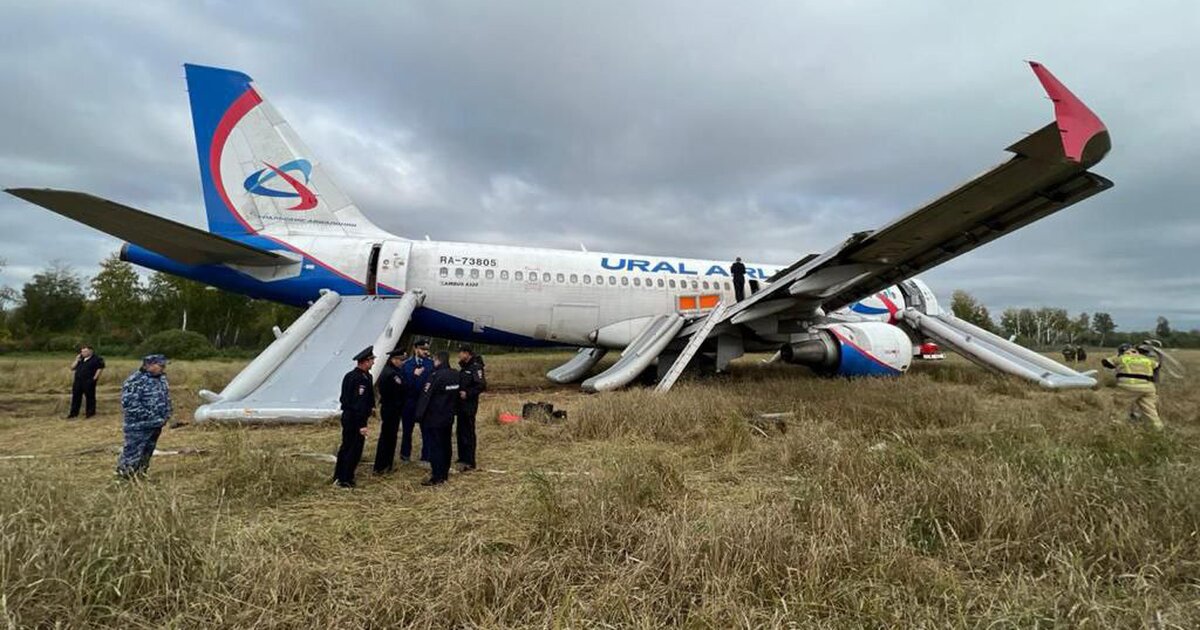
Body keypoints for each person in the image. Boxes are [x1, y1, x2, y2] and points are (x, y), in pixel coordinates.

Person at [116, 354, 172, 478]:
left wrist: (167, 414)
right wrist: (151, 417)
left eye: (164, 365)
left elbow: (166, 398)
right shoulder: (134, 381)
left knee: (147, 453)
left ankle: (140, 476)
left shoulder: (161, 379)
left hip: (156, 425)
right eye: (160, 365)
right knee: (132, 453)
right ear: (148, 365)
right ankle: (123, 478)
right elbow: (130, 405)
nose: (163, 368)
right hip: (138, 426)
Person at [416, 351, 460, 486]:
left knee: (436, 447)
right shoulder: (455, 374)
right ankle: (444, 473)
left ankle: (437, 476)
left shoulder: (435, 376)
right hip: (448, 416)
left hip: (434, 417)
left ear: (438, 360)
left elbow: (425, 397)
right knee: (446, 445)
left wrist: (418, 416)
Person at [334, 346, 376, 488]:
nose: (373, 363)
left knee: (347, 446)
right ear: (365, 361)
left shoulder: (364, 376)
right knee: (352, 448)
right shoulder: (359, 379)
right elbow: (358, 403)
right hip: (354, 418)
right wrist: (361, 424)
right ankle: (345, 478)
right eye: (371, 360)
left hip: (351, 416)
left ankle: (340, 474)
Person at [1101, 343, 1162, 430]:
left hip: (1128, 386)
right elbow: (1157, 366)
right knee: (1150, 409)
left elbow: (1106, 362)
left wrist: (1118, 356)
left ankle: (1116, 427)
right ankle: (1157, 428)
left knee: (1120, 406)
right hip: (1148, 387)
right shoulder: (1145, 359)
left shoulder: (1121, 357)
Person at [373, 348, 407, 474]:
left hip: (393, 407)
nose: (402, 362)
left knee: (391, 436)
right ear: (394, 360)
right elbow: (399, 389)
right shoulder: (391, 373)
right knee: (387, 436)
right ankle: (382, 465)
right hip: (391, 407)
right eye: (400, 360)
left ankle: (387, 464)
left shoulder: (394, 371)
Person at [400, 339, 434, 462]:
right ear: (416, 349)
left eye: (427, 350)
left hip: (424, 403)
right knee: (407, 431)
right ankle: (405, 455)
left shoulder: (431, 364)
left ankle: (426, 456)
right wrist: (415, 375)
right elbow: (403, 384)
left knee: (426, 431)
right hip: (410, 402)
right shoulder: (407, 365)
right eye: (422, 349)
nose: (425, 352)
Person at [456, 344, 487, 472]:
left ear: (467, 353)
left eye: (461, 353)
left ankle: (470, 460)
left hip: (469, 405)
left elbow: (481, 385)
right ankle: (462, 457)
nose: (459, 355)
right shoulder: (464, 367)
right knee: (460, 431)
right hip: (461, 405)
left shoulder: (475, 367)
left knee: (468, 433)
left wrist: (468, 393)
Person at [67, 344, 105, 419]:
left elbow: (100, 368)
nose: (83, 353)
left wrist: (94, 378)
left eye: (85, 351)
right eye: (82, 352)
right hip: (78, 381)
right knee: (76, 397)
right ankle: (73, 413)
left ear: (90, 351)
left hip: (89, 381)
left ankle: (90, 413)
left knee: (90, 397)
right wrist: (76, 360)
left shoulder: (97, 359)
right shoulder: (80, 359)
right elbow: (72, 368)